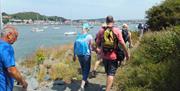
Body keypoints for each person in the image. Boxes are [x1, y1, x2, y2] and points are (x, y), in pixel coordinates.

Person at [95, 16, 130, 91]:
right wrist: (126, 54)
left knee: (108, 72)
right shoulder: (117, 30)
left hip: (104, 56)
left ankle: (110, 84)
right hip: (113, 56)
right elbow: (122, 43)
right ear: (113, 21)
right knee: (111, 74)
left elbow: (97, 43)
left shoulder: (101, 31)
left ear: (106, 21)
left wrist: (98, 50)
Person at [0, 25, 28, 91]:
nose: (16, 39)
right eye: (16, 36)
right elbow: (12, 70)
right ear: (9, 35)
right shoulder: (6, 47)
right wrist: (23, 82)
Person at [73, 23, 93, 91]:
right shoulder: (89, 36)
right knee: (87, 69)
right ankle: (82, 86)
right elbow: (91, 47)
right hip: (86, 55)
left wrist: (74, 55)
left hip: (79, 55)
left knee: (83, 68)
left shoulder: (78, 36)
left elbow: (75, 46)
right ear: (87, 29)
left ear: (82, 29)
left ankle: (85, 81)